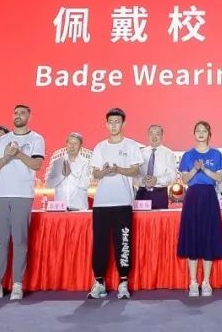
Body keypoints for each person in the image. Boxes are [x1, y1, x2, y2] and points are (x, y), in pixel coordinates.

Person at [0, 104, 45, 302]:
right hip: (0, 194)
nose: (18, 116)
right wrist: (7, 156)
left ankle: (17, 284)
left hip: (22, 194)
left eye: (22, 113)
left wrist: (18, 154)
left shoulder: (36, 139)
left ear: (29, 117)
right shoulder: (3, 140)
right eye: (15, 113)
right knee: (0, 240)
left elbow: (36, 164)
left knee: (20, 240)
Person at [88, 108, 142, 300]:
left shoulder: (131, 146)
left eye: (117, 122)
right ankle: (99, 282)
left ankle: (123, 282)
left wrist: (118, 169)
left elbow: (135, 170)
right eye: (110, 122)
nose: (113, 125)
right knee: (100, 243)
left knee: (123, 242)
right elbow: (95, 173)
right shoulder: (100, 147)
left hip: (123, 201)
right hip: (101, 203)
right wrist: (104, 172)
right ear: (106, 124)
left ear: (123, 124)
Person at [178, 120, 222, 296]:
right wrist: (195, 169)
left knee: (208, 237)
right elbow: (185, 180)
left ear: (209, 134)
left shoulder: (216, 154)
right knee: (192, 237)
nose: (200, 133)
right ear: (194, 134)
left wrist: (204, 169)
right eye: (197, 130)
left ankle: (206, 281)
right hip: (192, 197)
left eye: (204, 131)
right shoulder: (188, 155)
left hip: (209, 196)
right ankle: (193, 281)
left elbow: (219, 178)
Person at [46, 133, 92, 211]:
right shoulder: (57, 162)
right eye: (70, 143)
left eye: (75, 143)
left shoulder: (85, 163)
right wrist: (62, 176)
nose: (72, 146)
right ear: (66, 144)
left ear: (80, 146)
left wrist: (69, 175)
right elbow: (49, 185)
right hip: (60, 208)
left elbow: (85, 185)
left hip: (79, 207)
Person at [135, 124, 176, 210]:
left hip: (159, 194)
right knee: (140, 218)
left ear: (162, 136)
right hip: (142, 193)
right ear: (148, 135)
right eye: (151, 134)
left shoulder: (168, 154)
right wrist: (142, 180)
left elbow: (172, 177)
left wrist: (157, 180)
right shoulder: (140, 153)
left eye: (157, 134)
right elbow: (134, 175)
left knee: (159, 218)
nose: (154, 137)